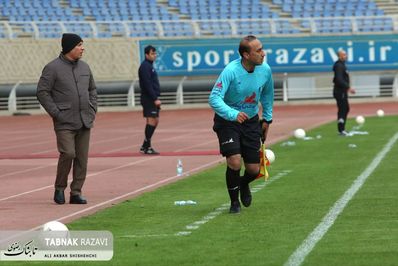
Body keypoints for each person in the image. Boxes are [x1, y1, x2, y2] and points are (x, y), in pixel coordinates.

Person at [209, 35, 274, 214]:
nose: (263, 53)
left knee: (253, 170)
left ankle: (244, 184)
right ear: (246, 55)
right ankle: (234, 203)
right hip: (228, 121)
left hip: (251, 121)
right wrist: (233, 114)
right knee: (235, 161)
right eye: (258, 50)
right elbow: (214, 97)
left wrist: (267, 120)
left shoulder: (265, 70)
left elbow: (267, 95)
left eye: (262, 48)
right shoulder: (231, 70)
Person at [37, 33, 97, 205]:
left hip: (85, 119)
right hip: (64, 121)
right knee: (68, 153)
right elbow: (42, 92)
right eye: (79, 45)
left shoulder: (85, 67)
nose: (82, 48)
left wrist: (93, 109)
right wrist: (56, 113)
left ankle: (76, 192)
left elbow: (93, 90)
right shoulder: (52, 68)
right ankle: (60, 188)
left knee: (82, 159)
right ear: (69, 47)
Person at [138, 45, 161, 155]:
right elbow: (147, 84)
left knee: (155, 120)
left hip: (151, 98)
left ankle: (145, 145)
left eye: (155, 53)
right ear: (146, 55)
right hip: (148, 99)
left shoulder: (149, 66)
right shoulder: (145, 67)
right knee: (152, 121)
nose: (154, 56)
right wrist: (155, 98)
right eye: (152, 54)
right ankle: (147, 146)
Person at [333, 50, 355, 136]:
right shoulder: (338, 65)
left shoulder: (342, 65)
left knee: (345, 108)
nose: (346, 56)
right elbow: (339, 79)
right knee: (343, 109)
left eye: (346, 54)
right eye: (344, 55)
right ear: (340, 56)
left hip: (342, 91)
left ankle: (342, 128)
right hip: (339, 91)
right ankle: (341, 129)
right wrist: (348, 87)